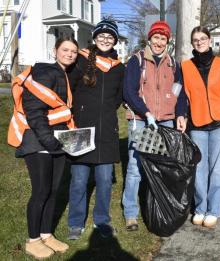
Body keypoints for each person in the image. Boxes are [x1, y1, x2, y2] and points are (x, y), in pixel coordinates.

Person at [8, 36, 78, 259]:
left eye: (73, 51)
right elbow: (33, 108)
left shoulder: (62, 74)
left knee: (53, 190)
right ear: (55, 50)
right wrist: (48, 140)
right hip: (39, 141)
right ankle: (32, 240)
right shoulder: (45, 71)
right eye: (65, 49)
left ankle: (46, 234)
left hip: (56, 141)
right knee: (40, 191)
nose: (69, 54)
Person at [122, 20, 187, 231]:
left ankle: (160, 207)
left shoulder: (173, 64)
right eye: (156, 37)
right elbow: (129, 92)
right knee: (135, 168)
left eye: (163, 38)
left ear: (168, 41)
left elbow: (180, 92)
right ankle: (131, 213)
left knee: (162, 169)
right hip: (142, 122)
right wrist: (146, 112)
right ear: (149, 39)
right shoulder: (137, 60)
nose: (159, 42)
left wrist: (180, 114)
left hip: (166, 121)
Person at [67, 19, 125, 239]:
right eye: (102, 36)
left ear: (115, 41)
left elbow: (119, 96)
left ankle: (102, 221)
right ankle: (75, 222)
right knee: (79, 180)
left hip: (106, 130)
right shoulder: (81, 60)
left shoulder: (119, 68)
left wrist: (107, 111)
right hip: (80, 127)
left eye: (110, 37)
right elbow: (68, 89)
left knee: (103, 181)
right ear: (95, 38)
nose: (105, 40)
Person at [181, 26, 220, 228]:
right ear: (192, 43)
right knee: (199, 169)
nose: (200, 42)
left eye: (203, 38)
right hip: (198, 122)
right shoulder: (185, 66)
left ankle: (214, 210)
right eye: (196, 39)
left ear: (210, 41)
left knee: (218, 169)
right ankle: (201, 208)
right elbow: (182, 96)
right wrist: (182, 115)